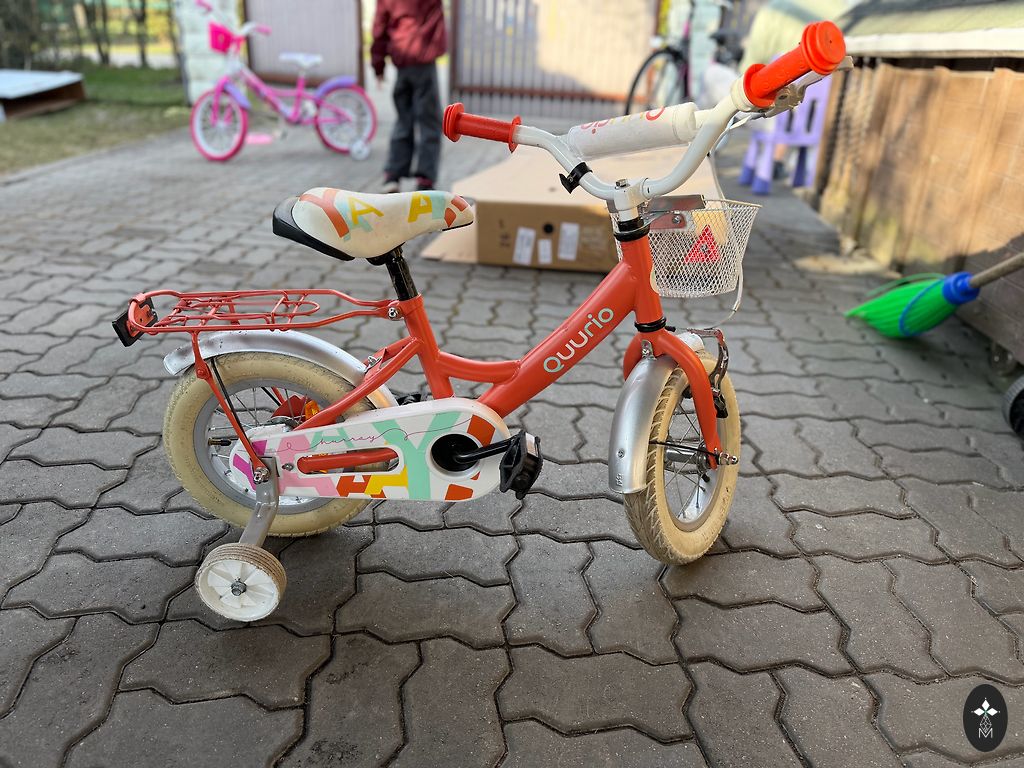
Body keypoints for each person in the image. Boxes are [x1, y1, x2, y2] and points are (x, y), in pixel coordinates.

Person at [371, 0, 447, 193]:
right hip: (424, 61)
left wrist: (378, 64)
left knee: (403, 120)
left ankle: (393, 176)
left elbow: (380, 27)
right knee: (429, 122)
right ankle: (425, 180)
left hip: (402, 61)